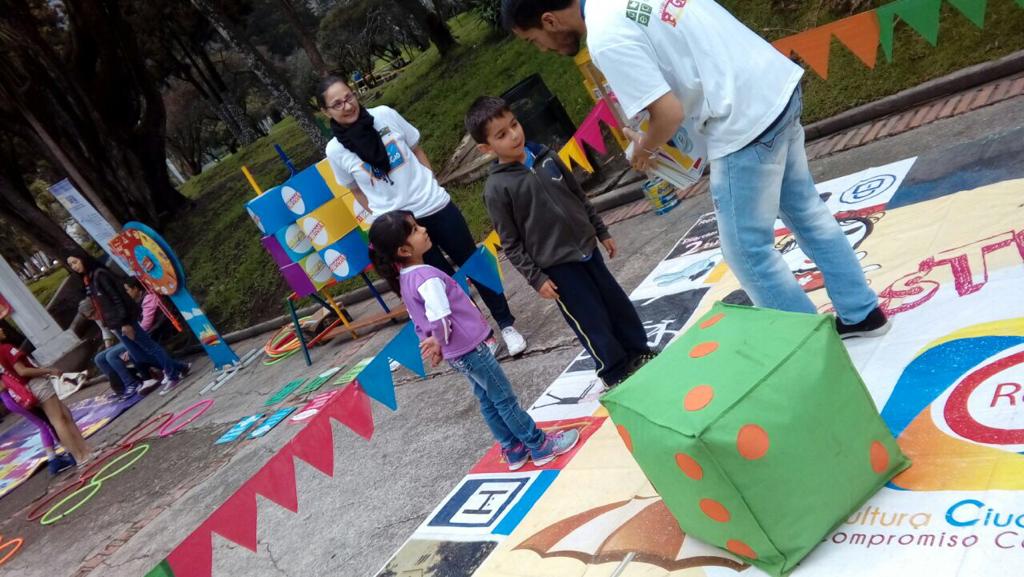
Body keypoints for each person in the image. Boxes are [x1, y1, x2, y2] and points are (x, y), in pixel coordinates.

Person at [502, 0, 890, 339]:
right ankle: (862, 313)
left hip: (743, 124)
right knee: (808, 213)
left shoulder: (605, 36)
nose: (543, 48)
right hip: (774, 86)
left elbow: (667, 113)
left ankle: (812, 349)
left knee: (747, 252)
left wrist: (644, 149)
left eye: (534, 39)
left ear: (549, 20)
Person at [317, 75, 529, 357]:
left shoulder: (384, 115)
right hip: (400, 228)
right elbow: (355, 189)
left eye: (349, 97)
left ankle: (506, 324)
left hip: (434, 205)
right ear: (326, 112)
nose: (347, 106)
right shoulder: (335, 150)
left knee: (473, 262)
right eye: (337, 104)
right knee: (440, 283)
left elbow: (415, 147)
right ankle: (482, 333)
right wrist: (382, 212)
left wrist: (430, 181)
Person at [368, 211, 580, 469]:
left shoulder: (405, 278)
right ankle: (539, 445)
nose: (423, 230)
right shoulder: (426, 277)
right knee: (503, 398)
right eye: (414, 229)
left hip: (456, 355)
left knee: (487, 399)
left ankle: (513, 448)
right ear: (403, 250)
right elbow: (440, 317)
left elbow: (418, 319)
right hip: (469, 350)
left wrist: (434, 343)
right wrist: (437, 340)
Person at [467, 96, 653, 387]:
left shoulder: (547, 157)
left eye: (514, 124)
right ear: (486, 148)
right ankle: (614, 372)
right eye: (502, 134)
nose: (514, 135)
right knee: (591, 320)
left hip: (588, 249)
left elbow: (579, 197)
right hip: (557, 268)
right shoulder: (497, 188)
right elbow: (511, 244)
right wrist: (536, 278)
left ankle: (639, 351)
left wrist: (601, 231)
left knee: (616, 304)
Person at [64, 252, 185, 394]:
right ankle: (179, 367)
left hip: (124, 321)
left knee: (150, 347)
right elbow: (103, 304)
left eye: (75, 262)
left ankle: (173, 375)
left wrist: (125, 323)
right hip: (115, 324)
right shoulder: (89, 279)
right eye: (71, 265)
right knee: (139, 355)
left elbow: (118, 300)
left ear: (83, 259)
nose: (74, 266)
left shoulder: (100, 275)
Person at [0, 321, 91, 468]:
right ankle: (80, 455)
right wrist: (48, 371)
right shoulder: (5, 349)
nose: (2, 329)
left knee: (65, 416)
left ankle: (86, 450)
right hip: (35, 384)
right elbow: (22, 371)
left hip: (32, 386)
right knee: (58, 420)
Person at [94, 277, 189, 399]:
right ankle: (179, 367)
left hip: (142, 332)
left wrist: (128, 337)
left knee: (116, 355)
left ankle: (139, 382)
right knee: (101, 357)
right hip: (130, 334)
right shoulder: (131, 304)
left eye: (127, 290)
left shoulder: (147, 299)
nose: (126, 293)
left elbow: (145, 324)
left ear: (136, 288)